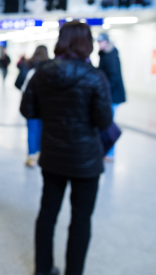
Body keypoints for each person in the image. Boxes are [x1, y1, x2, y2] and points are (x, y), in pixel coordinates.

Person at [20, 21, 112, 275]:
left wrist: (50, 114)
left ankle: (42, 268)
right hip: (86, 161)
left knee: (47, 213)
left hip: (52, 156)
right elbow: (104, 120)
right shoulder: (95, 77)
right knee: (81, 220)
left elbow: (26, 109)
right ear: (87, 43)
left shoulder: (43, 72)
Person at [16, 45, 49, 167]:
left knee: (31, 130)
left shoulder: (28, 65)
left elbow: (19, 83)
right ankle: (41, 153)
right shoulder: (49, 66)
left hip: (31, 104)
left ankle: (31, 156)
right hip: (45, 105)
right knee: (42, 129)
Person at [97, 33, 126, 161]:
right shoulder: (105, 55)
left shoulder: (111, 56)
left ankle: (109, 153)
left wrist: (105, 93)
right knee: (107, 123)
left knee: (108, 125)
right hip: (111, 95)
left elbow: (114, 78)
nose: (98, 44)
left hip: (113, 96)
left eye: (100, 42)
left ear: (106, 42)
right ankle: (107, 152)